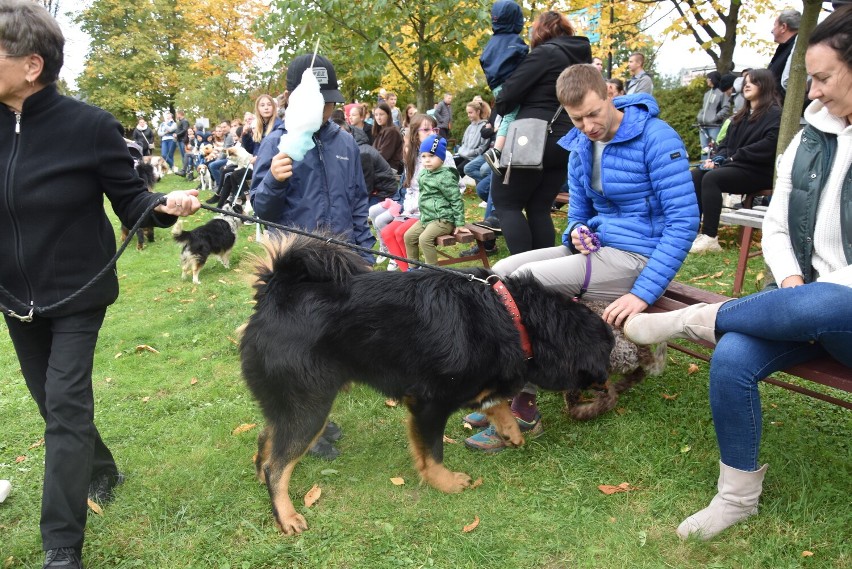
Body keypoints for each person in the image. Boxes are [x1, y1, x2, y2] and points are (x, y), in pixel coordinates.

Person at [623, 4, 852, 541]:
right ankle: (736, 498)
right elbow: (776, 222)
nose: (813, 92)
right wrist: (791, 280)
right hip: (798, 303)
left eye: (822, 77)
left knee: (829, 301)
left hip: (843, 316)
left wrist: (808, 298)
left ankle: (696, 318)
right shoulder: (812, 134)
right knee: (732, 355)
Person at [0, 2, 202, 566]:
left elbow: (133, 201)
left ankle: (61, 547)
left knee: (65, 407)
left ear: (31, 64)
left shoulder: (89, 126)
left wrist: (165, 206)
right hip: (15, 298)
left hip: (78, 295)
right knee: (51, 403)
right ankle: (103, 467)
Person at [464, 63, 698, 452]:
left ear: (608, 92)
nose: (588, 126)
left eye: (593, 113)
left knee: (519, 290)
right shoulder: (578, 145)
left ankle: (523, 410)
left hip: (639, 256)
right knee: (500, 272)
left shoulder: (656, 137)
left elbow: (684, 221)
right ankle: (499, 388)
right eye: (577, 119)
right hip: (599, 247)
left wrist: (643, 293)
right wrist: (574, 230)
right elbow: (578, 213)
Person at [489, 9, 592, 254]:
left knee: (507, 205)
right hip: (565, 141)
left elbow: (506, 98)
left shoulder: (544, 54)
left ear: (541, 31)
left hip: (531, 137)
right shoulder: (581, 60)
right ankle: (542, 277)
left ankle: (524, 277)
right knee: (539, 208)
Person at [690, 69, 781, 254]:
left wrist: (733, 157)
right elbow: (725, 144)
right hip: (735, 166)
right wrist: (717, 159)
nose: (746, 85)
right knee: (697, 174)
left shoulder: (775, 114)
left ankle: (710, 237)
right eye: (745, 81)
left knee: (712, 178)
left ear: (765, 86)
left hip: (758, 171)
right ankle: (693, 232)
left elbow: (767, 146)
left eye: (753, 82)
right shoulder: (740, 116)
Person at [478, 0, 528, 174]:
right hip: (510, 85)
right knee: (511, 115)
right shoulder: (515, 42)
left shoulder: (491, 43)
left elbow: (484, 61)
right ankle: (497, 151)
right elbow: (524, 62)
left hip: (496, 85)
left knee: (507, 114)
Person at [402, 135, 469, 265]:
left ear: (442, 158)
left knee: (424, 239)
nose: (427, 160)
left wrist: (459, 223)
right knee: (408, 236)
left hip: (443, 219)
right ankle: (413, 268)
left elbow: (456, 200)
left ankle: (432, 271)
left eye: (432, 156)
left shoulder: (445, 176)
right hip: (427, 217)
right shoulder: (423, 174)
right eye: (424, 156)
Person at [768, 8, 800, 101]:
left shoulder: (796, 50)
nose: (772, 30)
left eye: (775, 25)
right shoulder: (785, 48)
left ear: (783, 27)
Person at [696, 71, 729, 159]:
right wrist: (699, 116)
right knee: (704, 148)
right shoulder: (707, 94)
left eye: (708, 78)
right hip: (703, 125)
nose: (707, 80)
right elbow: (704, 108)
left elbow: (726, 108)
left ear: (713, 79)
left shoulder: (721, 93)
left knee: (716, 146)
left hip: (715, 125)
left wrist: (715, 118)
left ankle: (717, 164)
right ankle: (703, 166)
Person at [453, 100, 491, 172]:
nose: (468, 115)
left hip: (472, 157)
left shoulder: (484, 127)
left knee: (458, 171)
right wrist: (462, 151)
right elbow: (463, 143)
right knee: (450, 165)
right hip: (463, 155)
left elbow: (483, 147)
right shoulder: (470, 126)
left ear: (478, 112)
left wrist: (471, 153)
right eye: (467, 113)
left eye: (470, 112)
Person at [371, 102, 403, 173]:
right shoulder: (382, 130)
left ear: (388, 115)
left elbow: (383, 155)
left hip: (389, 169)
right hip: (380, 167)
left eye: (381, 114)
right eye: (376, 115)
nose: (378, 118)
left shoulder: (392, 131)